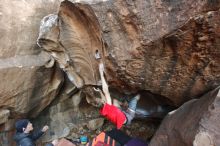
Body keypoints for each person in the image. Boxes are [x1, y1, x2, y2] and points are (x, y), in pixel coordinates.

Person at [95, 63, 140, 129]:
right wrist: (101, 72)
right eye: (101, 100)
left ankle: (124, 105)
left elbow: (104, 98)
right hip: (128, 116)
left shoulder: (105, 110)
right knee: (135, 99)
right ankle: (139, 95)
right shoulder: (109, 107)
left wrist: (99, 91)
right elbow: (106, 91)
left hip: (120, 112)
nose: (102, 100)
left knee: (115, 101)